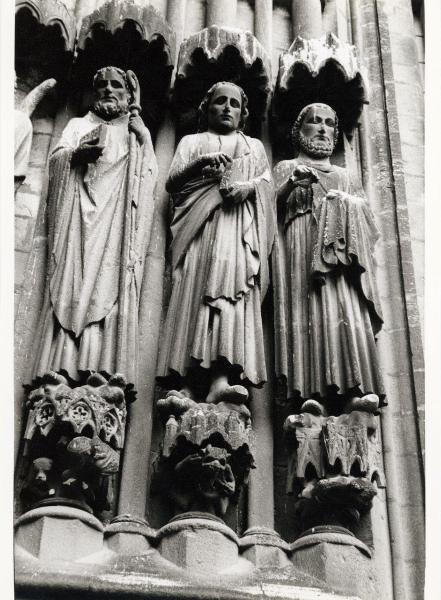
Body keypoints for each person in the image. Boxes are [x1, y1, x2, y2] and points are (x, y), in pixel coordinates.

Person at [33, 66, 157, 384]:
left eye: (116, 85)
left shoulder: (133, 133)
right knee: (70, 283)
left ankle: (99, 367)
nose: (107, 90)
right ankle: (59, 367)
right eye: (101, 85)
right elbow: (55, 162)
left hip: (114, 227)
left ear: (129, 96)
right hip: (76, 220)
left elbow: (149, 184)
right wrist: (75, 156)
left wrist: (143, 137)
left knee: (108, 287)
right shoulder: (77, 125)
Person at [157, 82, 276, 404]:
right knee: (192, 296)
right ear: (206, 107)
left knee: (229, 297)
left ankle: (221, 379)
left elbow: (266, 184)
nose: (227, 108)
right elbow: (172, 184)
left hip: (237, 230)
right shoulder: (193, 141)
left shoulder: (253, 147)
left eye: (234, 104)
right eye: (220, 101)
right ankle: (184, 383)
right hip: (198, 230)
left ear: (243, 113)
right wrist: (199, 164)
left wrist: (248, 189)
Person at [273, 103, 385, 415]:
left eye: (329, 123)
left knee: (345, 315)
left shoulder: (346, 176)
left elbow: (368, 221)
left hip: (339, 260)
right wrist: (291, 184)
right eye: (314, 122)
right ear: (299, 130)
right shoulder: (285, 168)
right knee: (306, 315)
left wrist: (344, 202)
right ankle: (309, 393)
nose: (323, 129)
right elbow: (264, 212)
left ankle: (354, 391)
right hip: (300, 250)